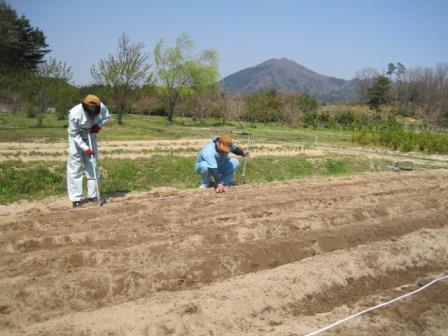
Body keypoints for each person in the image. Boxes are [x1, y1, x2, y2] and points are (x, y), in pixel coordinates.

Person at [67, 94, 110, 207]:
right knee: (75, 168)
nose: (92, 110)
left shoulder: (102, 107)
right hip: (76, 139)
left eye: (94, 108)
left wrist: (99, 126)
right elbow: (73, 133)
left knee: (92, 165)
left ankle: (93, 195)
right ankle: (76, 198)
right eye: (89, 108)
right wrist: (85, 148)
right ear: (84, 106)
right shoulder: (74, 113)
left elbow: (107, 116)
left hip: (91, 135)